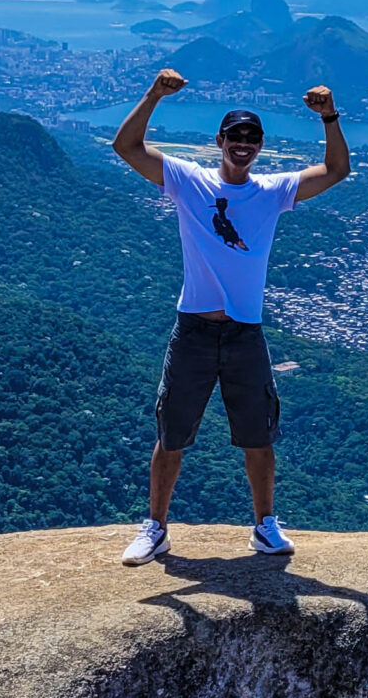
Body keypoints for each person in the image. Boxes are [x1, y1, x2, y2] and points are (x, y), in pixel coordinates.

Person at [110, 67, 348, 564]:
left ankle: (264, 525)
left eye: (251, 138)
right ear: (219, 140)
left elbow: (335, 171)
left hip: (245, 332)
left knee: (258, 435)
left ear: (259, 145)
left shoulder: (271, 190)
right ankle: (155, 527)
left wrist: (329, 118)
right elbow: (126, 147)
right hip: (193, 328)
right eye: (235, 136)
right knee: (171, 433)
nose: (243, 144)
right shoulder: (187, 180)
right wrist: (154, 94)